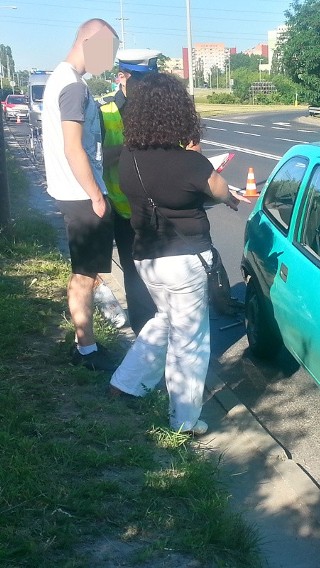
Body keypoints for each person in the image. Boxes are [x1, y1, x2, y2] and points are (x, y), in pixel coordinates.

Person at [109, 73, 249, 435]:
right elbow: (219, 191)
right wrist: (202, 161)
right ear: (178, 112)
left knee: (165, 320)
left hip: (147, 257)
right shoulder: (190, 163)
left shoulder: (129, 158)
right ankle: (184, 421)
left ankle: (126, 382)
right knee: (190, 341)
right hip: (186, 260)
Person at [42, 19, 120, 372]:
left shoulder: (61, 79)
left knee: (83, 272)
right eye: (109, 51)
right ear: (91, 42)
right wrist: (97, 196)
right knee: (86, 275)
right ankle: (86, 350)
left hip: (70, 191)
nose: (110, 60)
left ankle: (83, 344)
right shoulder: (73, 87)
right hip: (81, 193)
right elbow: (74, 148)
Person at [99, 48, 160, 335]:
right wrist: (127, 150)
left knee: (163, 280)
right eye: (140, 80)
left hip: (161, 211)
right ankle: (144, 341)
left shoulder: (159, 110)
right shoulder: (106, 113)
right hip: (126, 213)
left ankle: (164, 341)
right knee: (136, 281)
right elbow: (94, 158)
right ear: (122, 77)